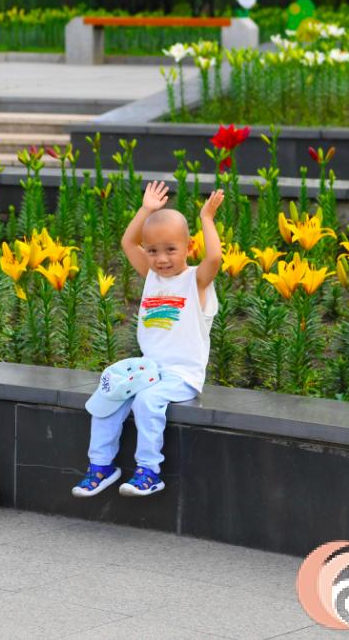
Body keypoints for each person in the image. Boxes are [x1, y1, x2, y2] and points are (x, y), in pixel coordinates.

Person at [72, 181, 223, 498]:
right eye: (152, 251)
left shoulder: (195, 281)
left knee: (146, 401)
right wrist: (146, 209)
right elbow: (128, 242)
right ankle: (101, 467)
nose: (161, 258)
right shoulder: (152, 276)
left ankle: (149, 471)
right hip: (148, 369)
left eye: (171, 249)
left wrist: (206, 218)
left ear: (189, 247)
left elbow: (215, 258)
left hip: (182, 375)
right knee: (109, 394)